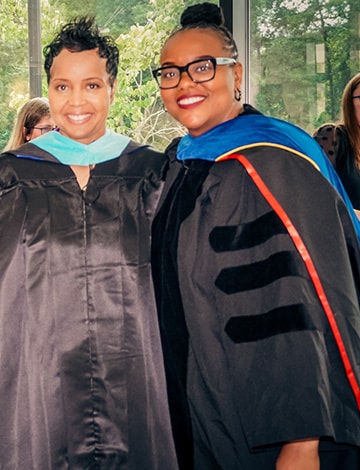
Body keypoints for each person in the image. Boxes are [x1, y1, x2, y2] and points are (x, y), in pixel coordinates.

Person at [151, 3, 360, 469]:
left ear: (236, 73)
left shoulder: (272, 159)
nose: (185, 83)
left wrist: (302, 439)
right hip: (203, 395)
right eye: (170, 72)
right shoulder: (178, 160)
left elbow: (302, 301)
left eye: (201, 68)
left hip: (271, 424)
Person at [0, 17, 176, 469]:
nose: (77, 101)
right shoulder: (5, 178)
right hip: (33, 395)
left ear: (112, 89)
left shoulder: (153, 175)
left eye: (91, 85)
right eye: (62, 87)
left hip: (135, 392)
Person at [314, 72, 360, 213]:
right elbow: (312, 195)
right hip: (344, 233)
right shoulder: (333, 137)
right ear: (349, 102)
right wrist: (352, 215)